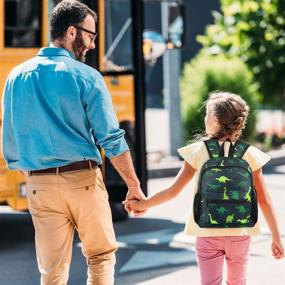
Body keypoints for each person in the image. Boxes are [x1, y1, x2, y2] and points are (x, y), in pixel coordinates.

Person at [1, 1, 145, 284]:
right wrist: (133, 186)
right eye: (90, 36)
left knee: (52, 269)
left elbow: (10, 137)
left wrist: (34, 173)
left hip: (39, 185)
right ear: (70, 32)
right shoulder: (87, 76)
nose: (92, 44)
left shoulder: (16, 76)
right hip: (82, 180)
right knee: (100, 257)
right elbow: (111, 138)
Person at [124, 92, 284, 285]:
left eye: (207, 114)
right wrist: (276, 238)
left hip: (207, 232)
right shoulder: (248, 154)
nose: (205, 117)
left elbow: (173, 190)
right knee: (238, 282)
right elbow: (264, 200)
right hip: (240, 234)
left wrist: (141, 204)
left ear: (216, 120)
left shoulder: (199, 151)